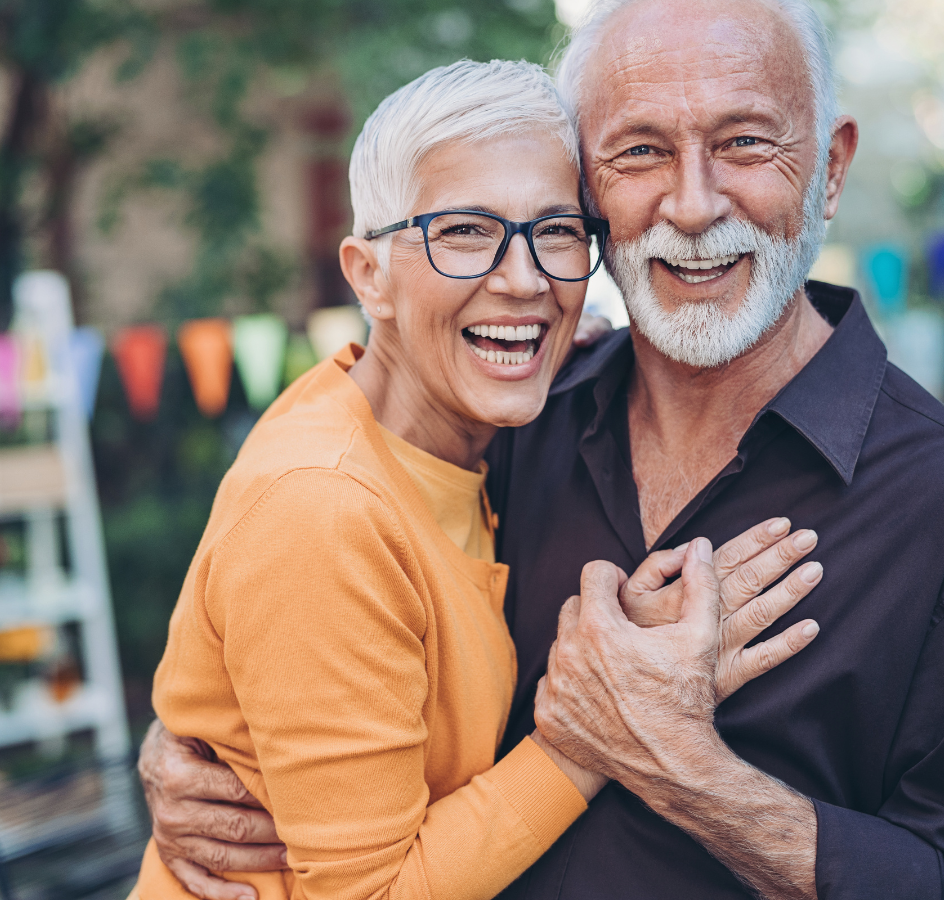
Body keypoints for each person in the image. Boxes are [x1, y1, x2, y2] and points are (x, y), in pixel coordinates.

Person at [139, 0, 944, 896]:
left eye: (745, 142)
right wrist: (209, 738)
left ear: (830, 170)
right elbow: (304, 577)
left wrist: (685, 769)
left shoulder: (929, 499)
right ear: (594, 193)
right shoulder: (514, 418)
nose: (691, 203)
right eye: (639, 150)